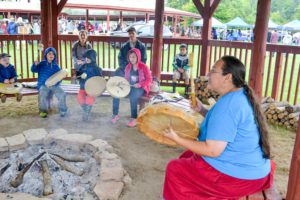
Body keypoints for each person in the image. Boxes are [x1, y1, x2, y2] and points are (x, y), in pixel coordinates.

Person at [163, 55, 274, 199]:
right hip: (252, 170)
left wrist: (176, 138)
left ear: (227, 77)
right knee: (188, 156)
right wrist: (202, 110)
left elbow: (212, 150)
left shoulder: (228, 105)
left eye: (213, 71)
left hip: (240, 178)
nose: (208, 74)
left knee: (174, 169)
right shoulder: (238, 95)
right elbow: (227, 126)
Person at [111, 27, 147, 124]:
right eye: (129, 33)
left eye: (133, 33)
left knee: (133, 94)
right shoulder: (125, 46)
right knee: (116, 90)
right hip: (126, 69)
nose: (131, 35)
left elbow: (144, 60)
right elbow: (120, 59)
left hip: (138, 73)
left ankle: (134, 117)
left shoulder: (141, 46)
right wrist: (128, 67)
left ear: (136, 34)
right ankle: (115, 114)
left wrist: (136, 67)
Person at [111, 48, 152, 127]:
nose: (132, 59)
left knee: (133, 96)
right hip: (131, 86)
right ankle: (115, 114)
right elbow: (126, 79)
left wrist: (140, 84)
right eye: (130, 57)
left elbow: (149, 79)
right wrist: (124, 84)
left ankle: (134, 118)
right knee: (116, 94)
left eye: (134, 57)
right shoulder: (128, 67)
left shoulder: (143, 67)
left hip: (141, 88)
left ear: (138, 57)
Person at [31, 47, 68, 118]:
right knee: (42, 94)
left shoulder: (56, 66)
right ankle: (43, 111)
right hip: (43, 85)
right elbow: (33, 70)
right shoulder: (42, 64)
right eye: (49, 54)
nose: (51, 55)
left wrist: (61, 78)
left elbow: (58, 78)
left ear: (55, 56)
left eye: (53, 54)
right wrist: (35, 64)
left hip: (54, 85)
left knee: (62, 94)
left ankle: (63, 109)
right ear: (46, 55)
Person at [76, 49, 102, 121]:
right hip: (83, 87)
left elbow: (100, 79)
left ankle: (86, 113)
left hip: (92, 89)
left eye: (89, 57)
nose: (86, 59)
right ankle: (86, 110)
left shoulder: (97, 69)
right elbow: (77, 75)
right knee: (80, 97)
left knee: (90, 98)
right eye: (86, 57)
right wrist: (80, 75)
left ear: (93, 58)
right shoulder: (83, 66)